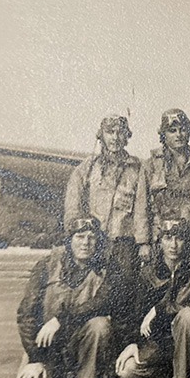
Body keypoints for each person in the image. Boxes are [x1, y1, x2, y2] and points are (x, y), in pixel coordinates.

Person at [15, 217, 115, 378]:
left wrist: (60, 319)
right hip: (47, 348)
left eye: (92, 237)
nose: (86, 243)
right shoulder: (47, 265)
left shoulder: (105, 269)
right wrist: (35, 358)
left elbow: (102, 303)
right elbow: (26, 314)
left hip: (81, 344)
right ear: (69, 239)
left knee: (100, 324)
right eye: (80, 236)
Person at [115, 219, 190, 378]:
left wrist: (160, 308)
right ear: (160, 241)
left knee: (188, 315)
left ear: (187, 241)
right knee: (127, 371)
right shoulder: (148, 272)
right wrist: (133, 342)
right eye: (168, 238)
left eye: (179, 238)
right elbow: (136, 313)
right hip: (160, 345)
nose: (174, 245)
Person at [63, 115, 141, 335]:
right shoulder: (86, 169)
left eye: (120, 133)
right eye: (110, 132)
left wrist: (142, 242)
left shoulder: (137, 169)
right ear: (101, 135)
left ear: (127, 136)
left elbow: (143, 208)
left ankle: (121, 344)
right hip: (94, 243)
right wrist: (77, 239)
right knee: (89, 294)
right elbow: (72, 209)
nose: (115, 138)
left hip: (123, 244)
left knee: (123, 296)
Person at [134, 109, 190, 262]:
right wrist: (143, 242)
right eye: (172, 131)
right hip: (162, 238)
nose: (178, 135)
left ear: (189, 132)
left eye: (183, 129)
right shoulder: (151, 165)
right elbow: (141, 205)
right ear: (163, 134)